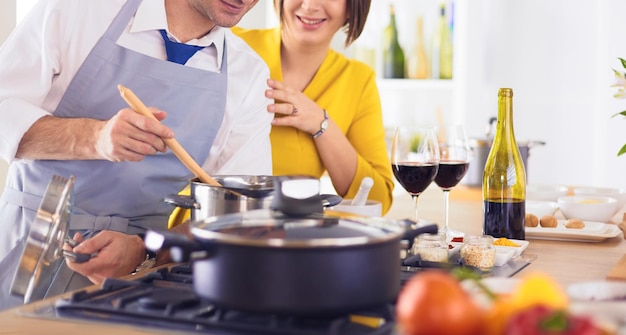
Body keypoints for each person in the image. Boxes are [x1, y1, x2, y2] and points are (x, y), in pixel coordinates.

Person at [0, 0, 271, 310]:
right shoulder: (79, 10)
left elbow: (238, 215)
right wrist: (95, 138)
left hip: (135, 282)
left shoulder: (248, 76)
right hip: (26, 248)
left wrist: (146, 251)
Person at [168, 0, 394, 228]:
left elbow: (377, 199)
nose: (309, 6)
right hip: (196, 226)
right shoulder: (230, 47)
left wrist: (321, 124)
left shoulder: (357, 81)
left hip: (284, 244)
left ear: (354, 6)